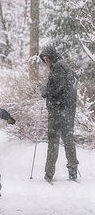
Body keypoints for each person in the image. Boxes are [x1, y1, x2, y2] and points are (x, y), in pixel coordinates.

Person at [39, 45, 79, 182]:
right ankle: (72, 169)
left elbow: (57, 88)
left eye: (46, 58)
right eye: (44, 59)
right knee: (68, 138)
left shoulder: (59, 67)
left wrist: (45, 91)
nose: (46, 61)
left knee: (54, 140)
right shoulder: (62, 66)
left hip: (59, 110)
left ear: (51, 56)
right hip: (67, 109)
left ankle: (49, 173)